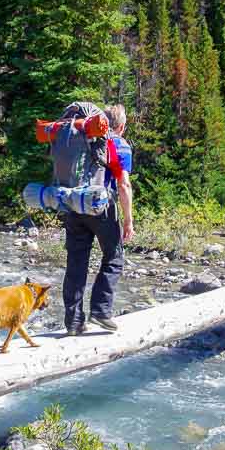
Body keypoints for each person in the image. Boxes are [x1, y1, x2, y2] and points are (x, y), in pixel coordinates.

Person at [62, 104, 134, 336]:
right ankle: (101, 311)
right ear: (121, 126)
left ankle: (73, 322)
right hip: (102, 207)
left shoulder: (84, 138)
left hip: (74, 205)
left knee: (76, 262)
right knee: (114, 257)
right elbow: (123, 185)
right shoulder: (119, 144)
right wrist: (128, 220)